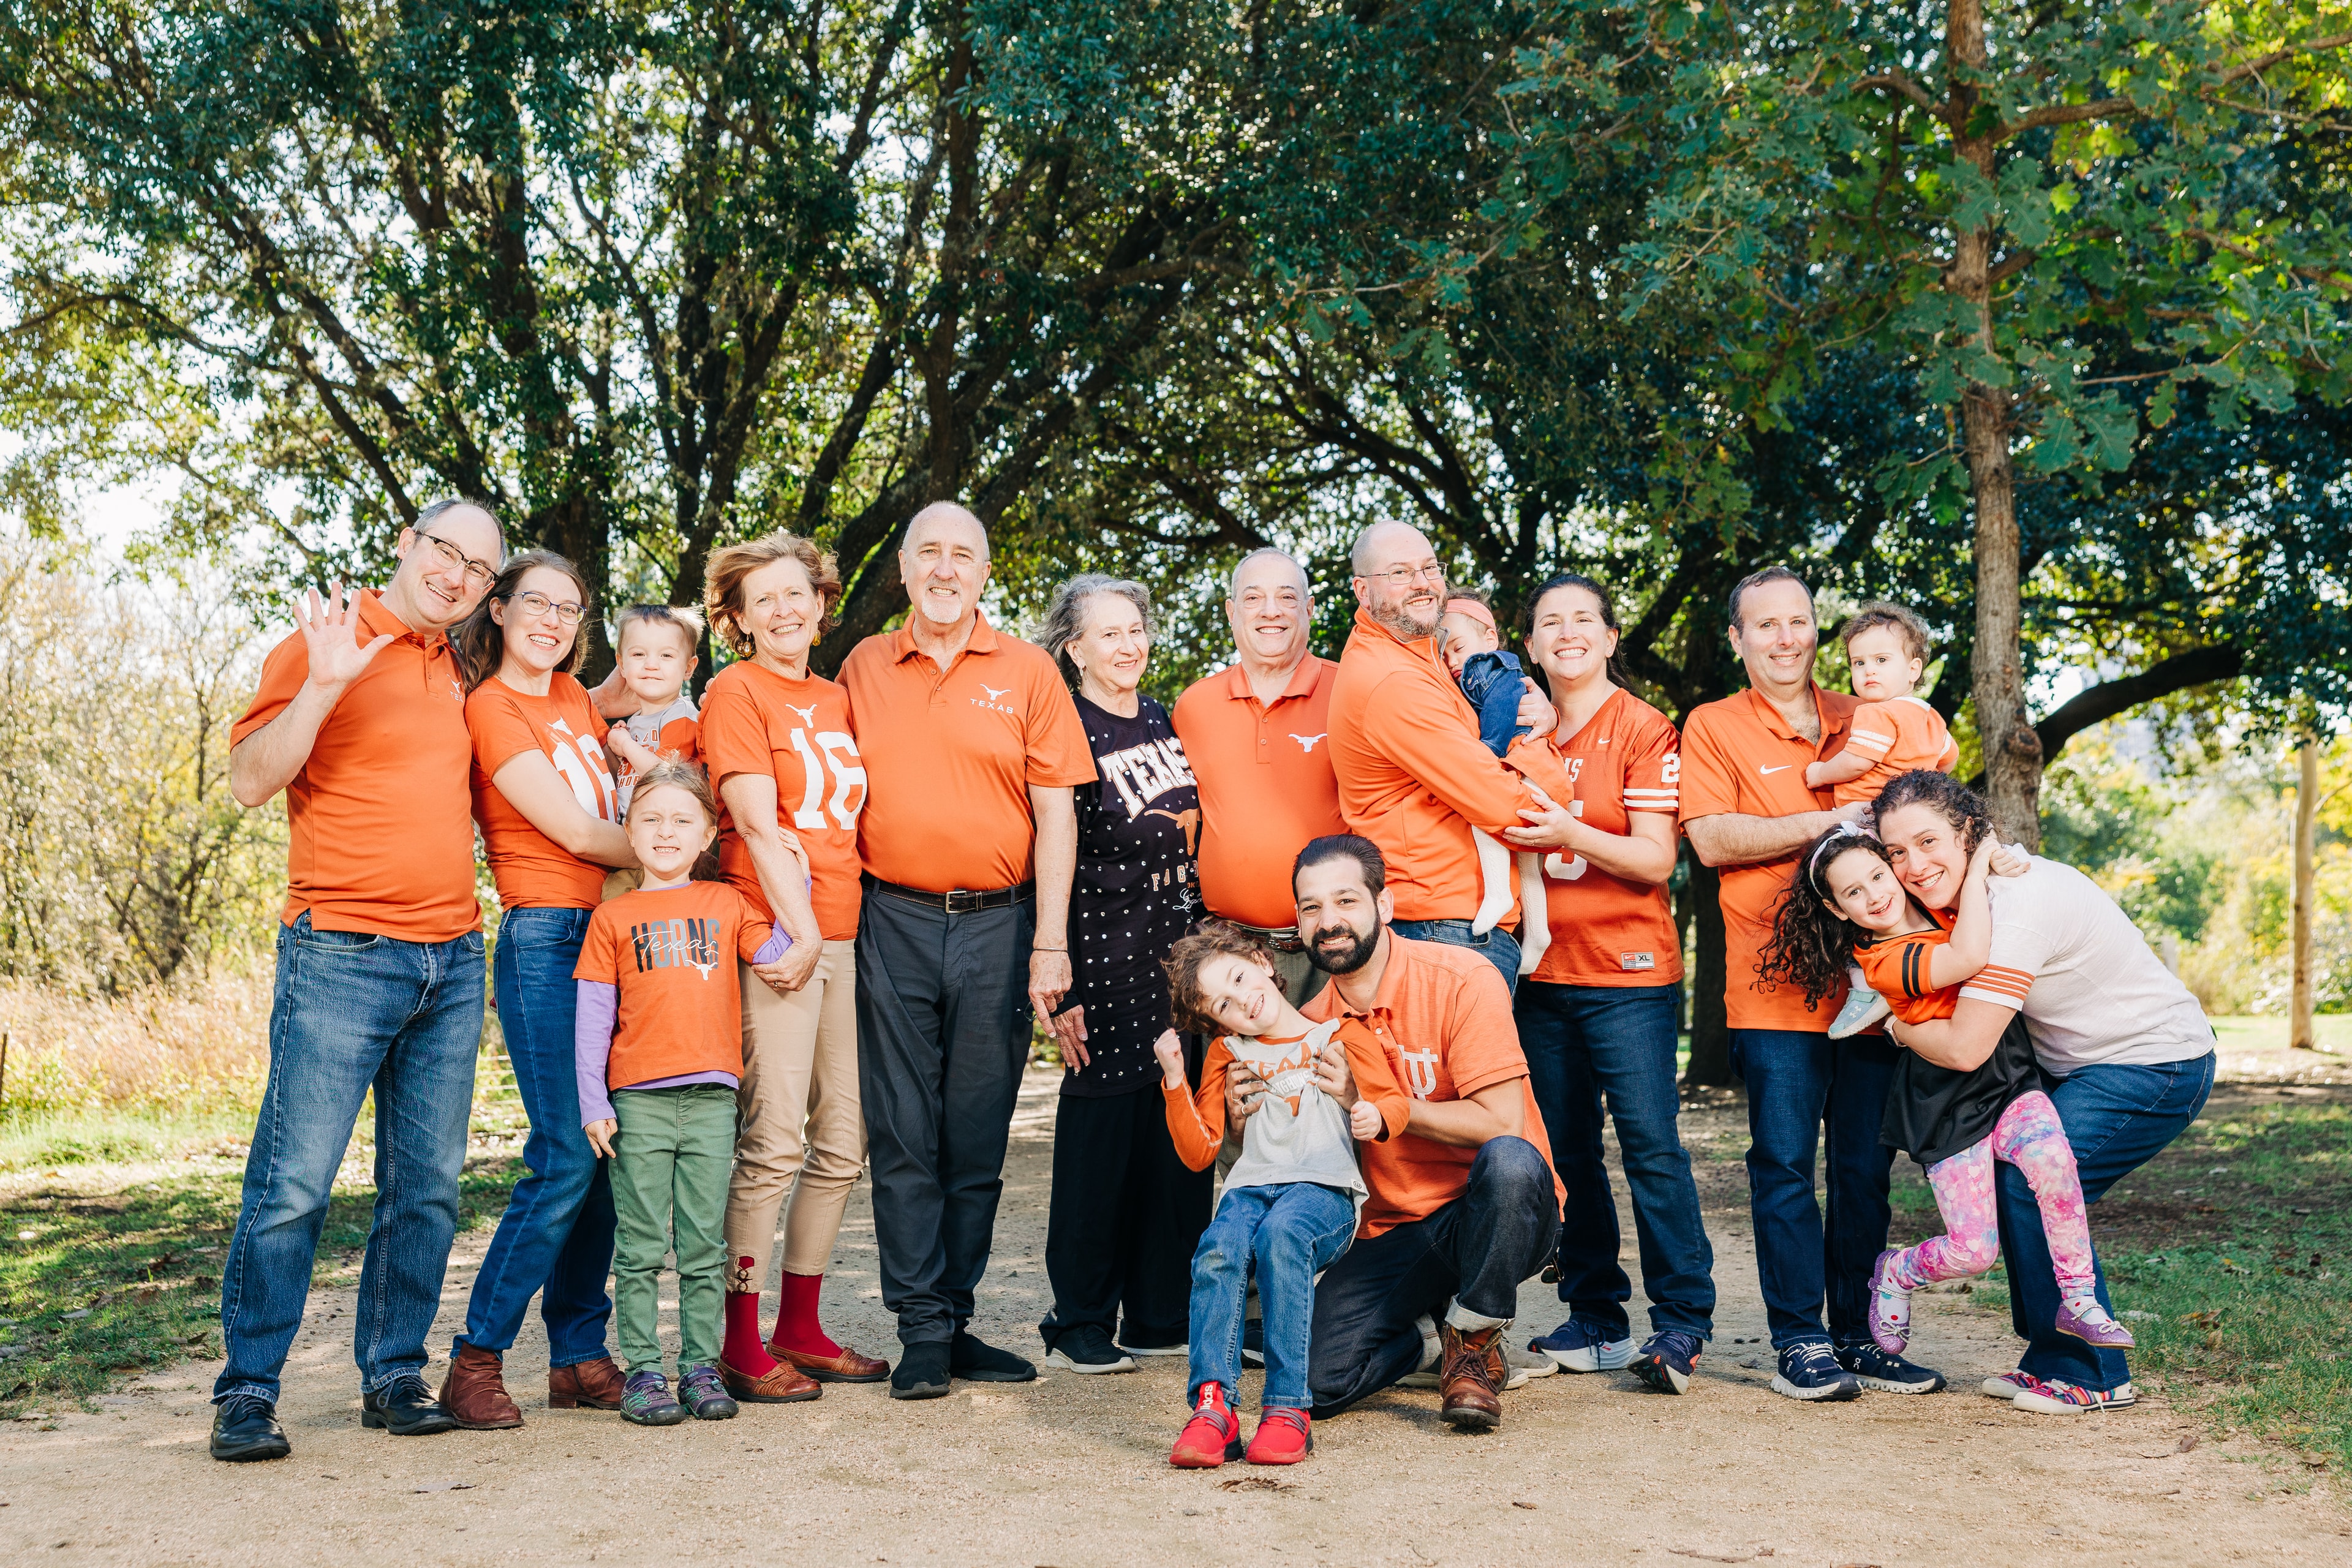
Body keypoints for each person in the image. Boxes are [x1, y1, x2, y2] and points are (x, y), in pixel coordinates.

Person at [211, 497, 505, 1463]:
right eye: (445, 551)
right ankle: (249, 1392)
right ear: (404, 545)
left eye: (480, 569)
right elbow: (253, 779)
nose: (458, 575)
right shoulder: (324, 643)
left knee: (424, 1191)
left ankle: (392, 1373)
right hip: (341, 955)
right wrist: (326, 684)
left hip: (453, 962)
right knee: (293, 1187)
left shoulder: (458, 666)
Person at [838, 501, 1096, 1400]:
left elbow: (1058, 812)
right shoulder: (862, 666)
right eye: (929, 554)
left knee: (977, 1133)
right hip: (892, 921)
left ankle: (954, 1313)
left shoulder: (1028, 671)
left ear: (986, 572)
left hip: (1001, 923)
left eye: (964, 555)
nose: (946, 569)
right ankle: (919, 1328)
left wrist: (1051, 944)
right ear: (905, 570)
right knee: (905, 1132)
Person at [1678, 564, 1945, 1402]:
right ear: (1738, 638)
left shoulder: (1867, 707)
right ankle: (1799, 1339)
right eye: (1766, 625)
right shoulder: (1714, 724)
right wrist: (1828, 821)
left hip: (1877, 986)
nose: (1786, 638)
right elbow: (1713, 840)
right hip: (1773, 991)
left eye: (1799, 623)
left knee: (1866, 1170)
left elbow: (1928, 811)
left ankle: (1859, 1335)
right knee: (1785, 1165)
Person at [1874, 769, 2218, 1415]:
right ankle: (2050, 1356)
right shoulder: (1977, 889)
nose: (1912, 865)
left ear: (1971, 834)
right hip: (2079, 1064)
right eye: (1896, 852)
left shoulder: (2018, 911)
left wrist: (1893, 1024)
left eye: (1928, 842)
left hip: (2154, 1062)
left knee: (2029, 1181)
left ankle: (2090, 1372)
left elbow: (1966, 1047)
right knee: (2023, 1179)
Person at [1760, 820, 2133, 1365]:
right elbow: (1968, 959)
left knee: (2056, 1161)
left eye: (1877, 875)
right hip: (1947, 1106)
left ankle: (2079, 1300)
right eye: (1853, 893)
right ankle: (1896, 1271)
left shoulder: (1942, 907)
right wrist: (1982, 862)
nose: (1876, 895)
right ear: (1839, 910)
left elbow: (2007, 896)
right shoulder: (1885, 960)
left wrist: (1999, 860)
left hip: (2009, 1080)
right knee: (1974, 1251)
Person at [1500, 573, 1716, 1396]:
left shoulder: (1642, 727)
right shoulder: (1514, 726)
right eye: (1550, 621)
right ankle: (1595, 1315)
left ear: (1610, 636)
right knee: (1569, 1154)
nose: (1567, 633)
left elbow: (1657, 859)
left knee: (1651, 1146)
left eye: (1583, 618)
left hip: (1628, 972)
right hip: (1538, 971)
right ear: (1530, 644)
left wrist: (1568, 832)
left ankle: (1682, 1323)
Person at [439, 551, 638, 1430]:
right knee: (564, 1149)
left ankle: (579, 1354)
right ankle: (475, 1358)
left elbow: (655, 671)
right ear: (498, 610)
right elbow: (570, 829)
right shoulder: (491, 706)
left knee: (607, 1150)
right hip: (546, 939)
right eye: (536, 604)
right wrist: (697, 846)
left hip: (612, 939)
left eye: (569, 609)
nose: (552, 621)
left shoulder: (575, 701)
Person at [1289, 835, 1564, 1432]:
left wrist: (1388, 1106)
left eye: (1345, 900)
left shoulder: (1462, 976)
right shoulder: (1310, 1028)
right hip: (1399, 1229)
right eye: (1311, 907)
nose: (1328, 920)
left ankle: (1473, 1338)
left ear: (1384, 906)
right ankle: (1425, 1340)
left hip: (1498, 1210)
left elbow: (1500, 1123)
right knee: (1315, 1384)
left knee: (1511, 1162)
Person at [698, 532, 883, 1402]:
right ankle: (739, 1339)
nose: (783, 610)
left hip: (842, 937)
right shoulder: (734, 691)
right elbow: (757, 822)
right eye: (761, 599)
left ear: (820, 602)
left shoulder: (838, 697)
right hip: (779, 935)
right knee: (774, 1140)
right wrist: (799, 932)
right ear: (736, 619)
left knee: (842, 1142)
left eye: (796, 594)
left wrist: (829, 935)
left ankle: (799, 1327)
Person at [576, 761, 795, 1427]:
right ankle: (644, 1371)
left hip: (711, 1102)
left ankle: (701, 1366)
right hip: (637, 1101)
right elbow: (592, 1017)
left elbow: (779, 953)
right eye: (650, 819)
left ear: (706, 834)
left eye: (681, 820)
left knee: (703, 1245)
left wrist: (794, 876)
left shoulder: (727, 903)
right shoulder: (613, 916)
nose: (665, 832)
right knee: (640, 1244)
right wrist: (594, 1101)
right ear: (630, 831)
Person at [1031, 576, 1214, 1374]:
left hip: (1178, 964)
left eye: (1135, 629)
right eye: (1109, 633)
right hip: (1101, 963)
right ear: (1073, 648)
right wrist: (1057, 980)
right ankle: (1077, 1320)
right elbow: (1049, 856)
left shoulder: (1159, 718)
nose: (1129, 645)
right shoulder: (1064, 728)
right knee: (1099, 1148)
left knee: (1172, 1137)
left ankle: (1157, 1311)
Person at [1153, 923, 1411, 1468]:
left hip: (1323, 1192)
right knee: (1219, 1246)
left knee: (1282, 1236)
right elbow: (1202, 1151)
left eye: (1241, 978)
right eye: (1223, 1004)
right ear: (1213, 1022)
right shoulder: (1228, 1054)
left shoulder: (1340, 1035)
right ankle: (1213, 1407)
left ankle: (1288, 1408)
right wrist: (1176, 1079)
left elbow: (1394, 1102)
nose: (1243, 1000)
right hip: (1251, 1187)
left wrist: (1371, 1112)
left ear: (1263, 961)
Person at [1327, 521, 1568, 994]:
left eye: (1429, 568)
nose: (1421, 583)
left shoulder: (1426, 656)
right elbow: (1513, 810)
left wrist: (1546, 717)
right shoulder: (1392, 681)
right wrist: (1549, 772)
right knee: (1468, 1071)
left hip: (1456, 921)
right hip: (1445, 925)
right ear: (1362, 590)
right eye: (1399, 572)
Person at [1172, 548, 1346, 1005]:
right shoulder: (1194, 706)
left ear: (1309, 609)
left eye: (1287, 598)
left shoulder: (1351, 691)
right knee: (1237, 1079)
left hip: (1334, 950)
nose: (1271, 611)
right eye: (1253, 599)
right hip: (1231, 955)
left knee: (1339, 1076)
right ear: (1232, 612)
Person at [1804, 601, 1962, 1040]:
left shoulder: (1876, 712)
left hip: (1867, 820)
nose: (1868, 672)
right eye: (1858, 663)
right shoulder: (1930, 716)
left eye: (1881, 660)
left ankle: (1864, 985)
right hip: (1906, 823)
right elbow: (1949, 758)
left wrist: (1818, 772)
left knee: (1850, 900)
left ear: (1913, 668)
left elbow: (1858, 760)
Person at [605, 602, 704, 832]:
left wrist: (626, 745)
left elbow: (664, 775)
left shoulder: (682, 715)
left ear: (689, 668)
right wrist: (619, 751)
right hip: (630, 832)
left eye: (666, 655)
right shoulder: (636, 720)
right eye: (639, 654)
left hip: (664, 835)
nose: (651, 665)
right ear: (621, 665)